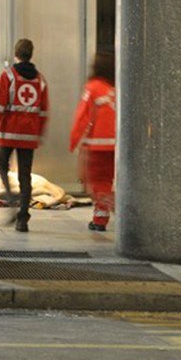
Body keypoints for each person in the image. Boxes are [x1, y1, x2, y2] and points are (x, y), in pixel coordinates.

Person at [0, 38, 49, 232]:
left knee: (2, 167)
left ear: (16, 54)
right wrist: (39, 134)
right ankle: (23, 219)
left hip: (9, 133)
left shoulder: (8, 76)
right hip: (29, 136)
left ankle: (11, 201)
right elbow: (44, 111)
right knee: (25, 176)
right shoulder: (40, 80)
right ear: (31, 54)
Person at [69, 51, 116, 231]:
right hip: (116, 146)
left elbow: (82, 117)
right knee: (106, 180)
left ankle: (104, 212)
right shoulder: (115, 89)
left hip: (97, 145)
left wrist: (74, 140)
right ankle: (101, 216)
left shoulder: (93, 87)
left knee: (96, 182)